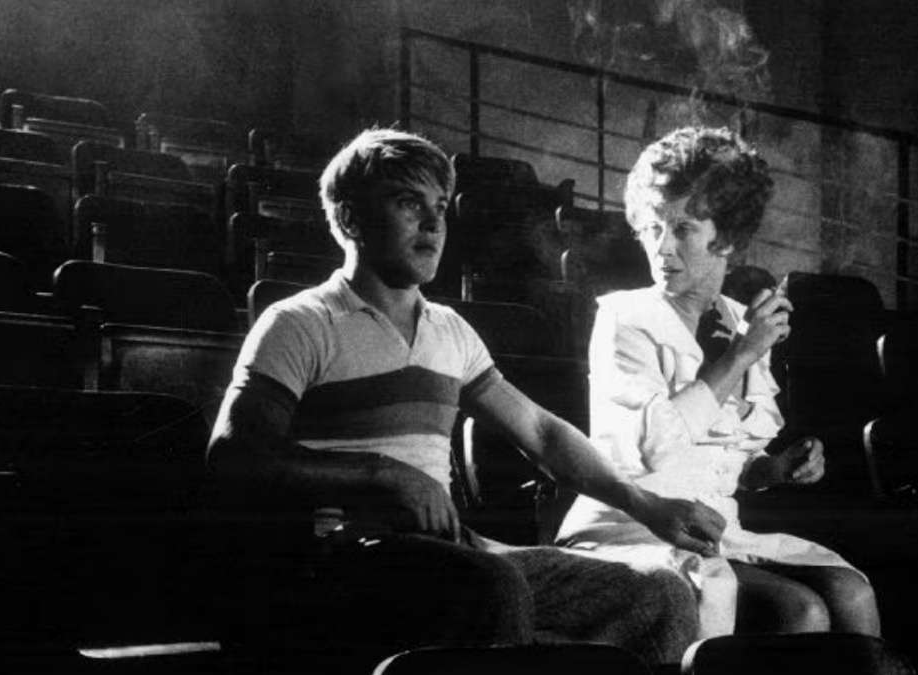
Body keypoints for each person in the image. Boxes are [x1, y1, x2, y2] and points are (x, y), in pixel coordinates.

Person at [206, 127, 729, 666]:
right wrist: (384, 474)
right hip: (343, 558)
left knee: (660, 593)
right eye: (409, 203)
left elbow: (542, 434)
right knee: (494, 586)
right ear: (351, 218)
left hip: (452, 553)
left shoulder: (450, 330)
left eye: (439, 207)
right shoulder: (299, 323)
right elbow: (234, 455)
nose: (433, 223)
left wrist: (645, 505)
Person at [557, 126, 880, 637]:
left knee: (852, 592)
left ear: (727, 237)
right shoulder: (624, 318)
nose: (662, 248)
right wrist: (742, 353)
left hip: (713, 532)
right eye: (652, 228)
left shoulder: (738, 319)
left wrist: (774, 468)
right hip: (634, 529)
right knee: (801, 612)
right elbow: (656, 448)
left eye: (682, 229)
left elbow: (727, 463)